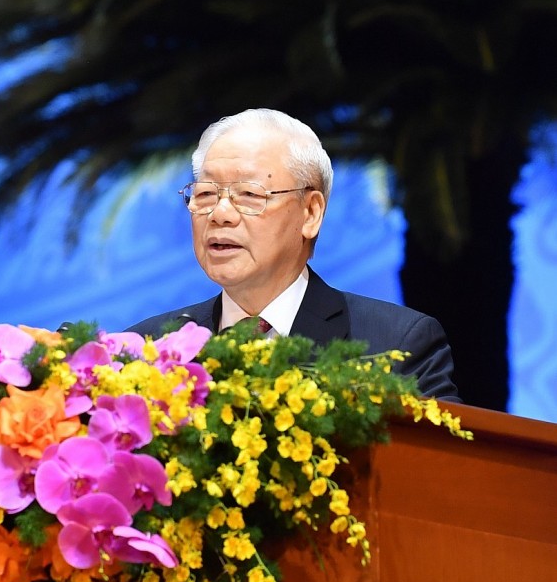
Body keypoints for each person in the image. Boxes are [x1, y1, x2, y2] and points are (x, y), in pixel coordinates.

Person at [127, 108, 460, 401]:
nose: (220, 214)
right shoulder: (149, 348)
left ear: (311, 213)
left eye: (248, 194)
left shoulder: (395, 346)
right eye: (205, 193)